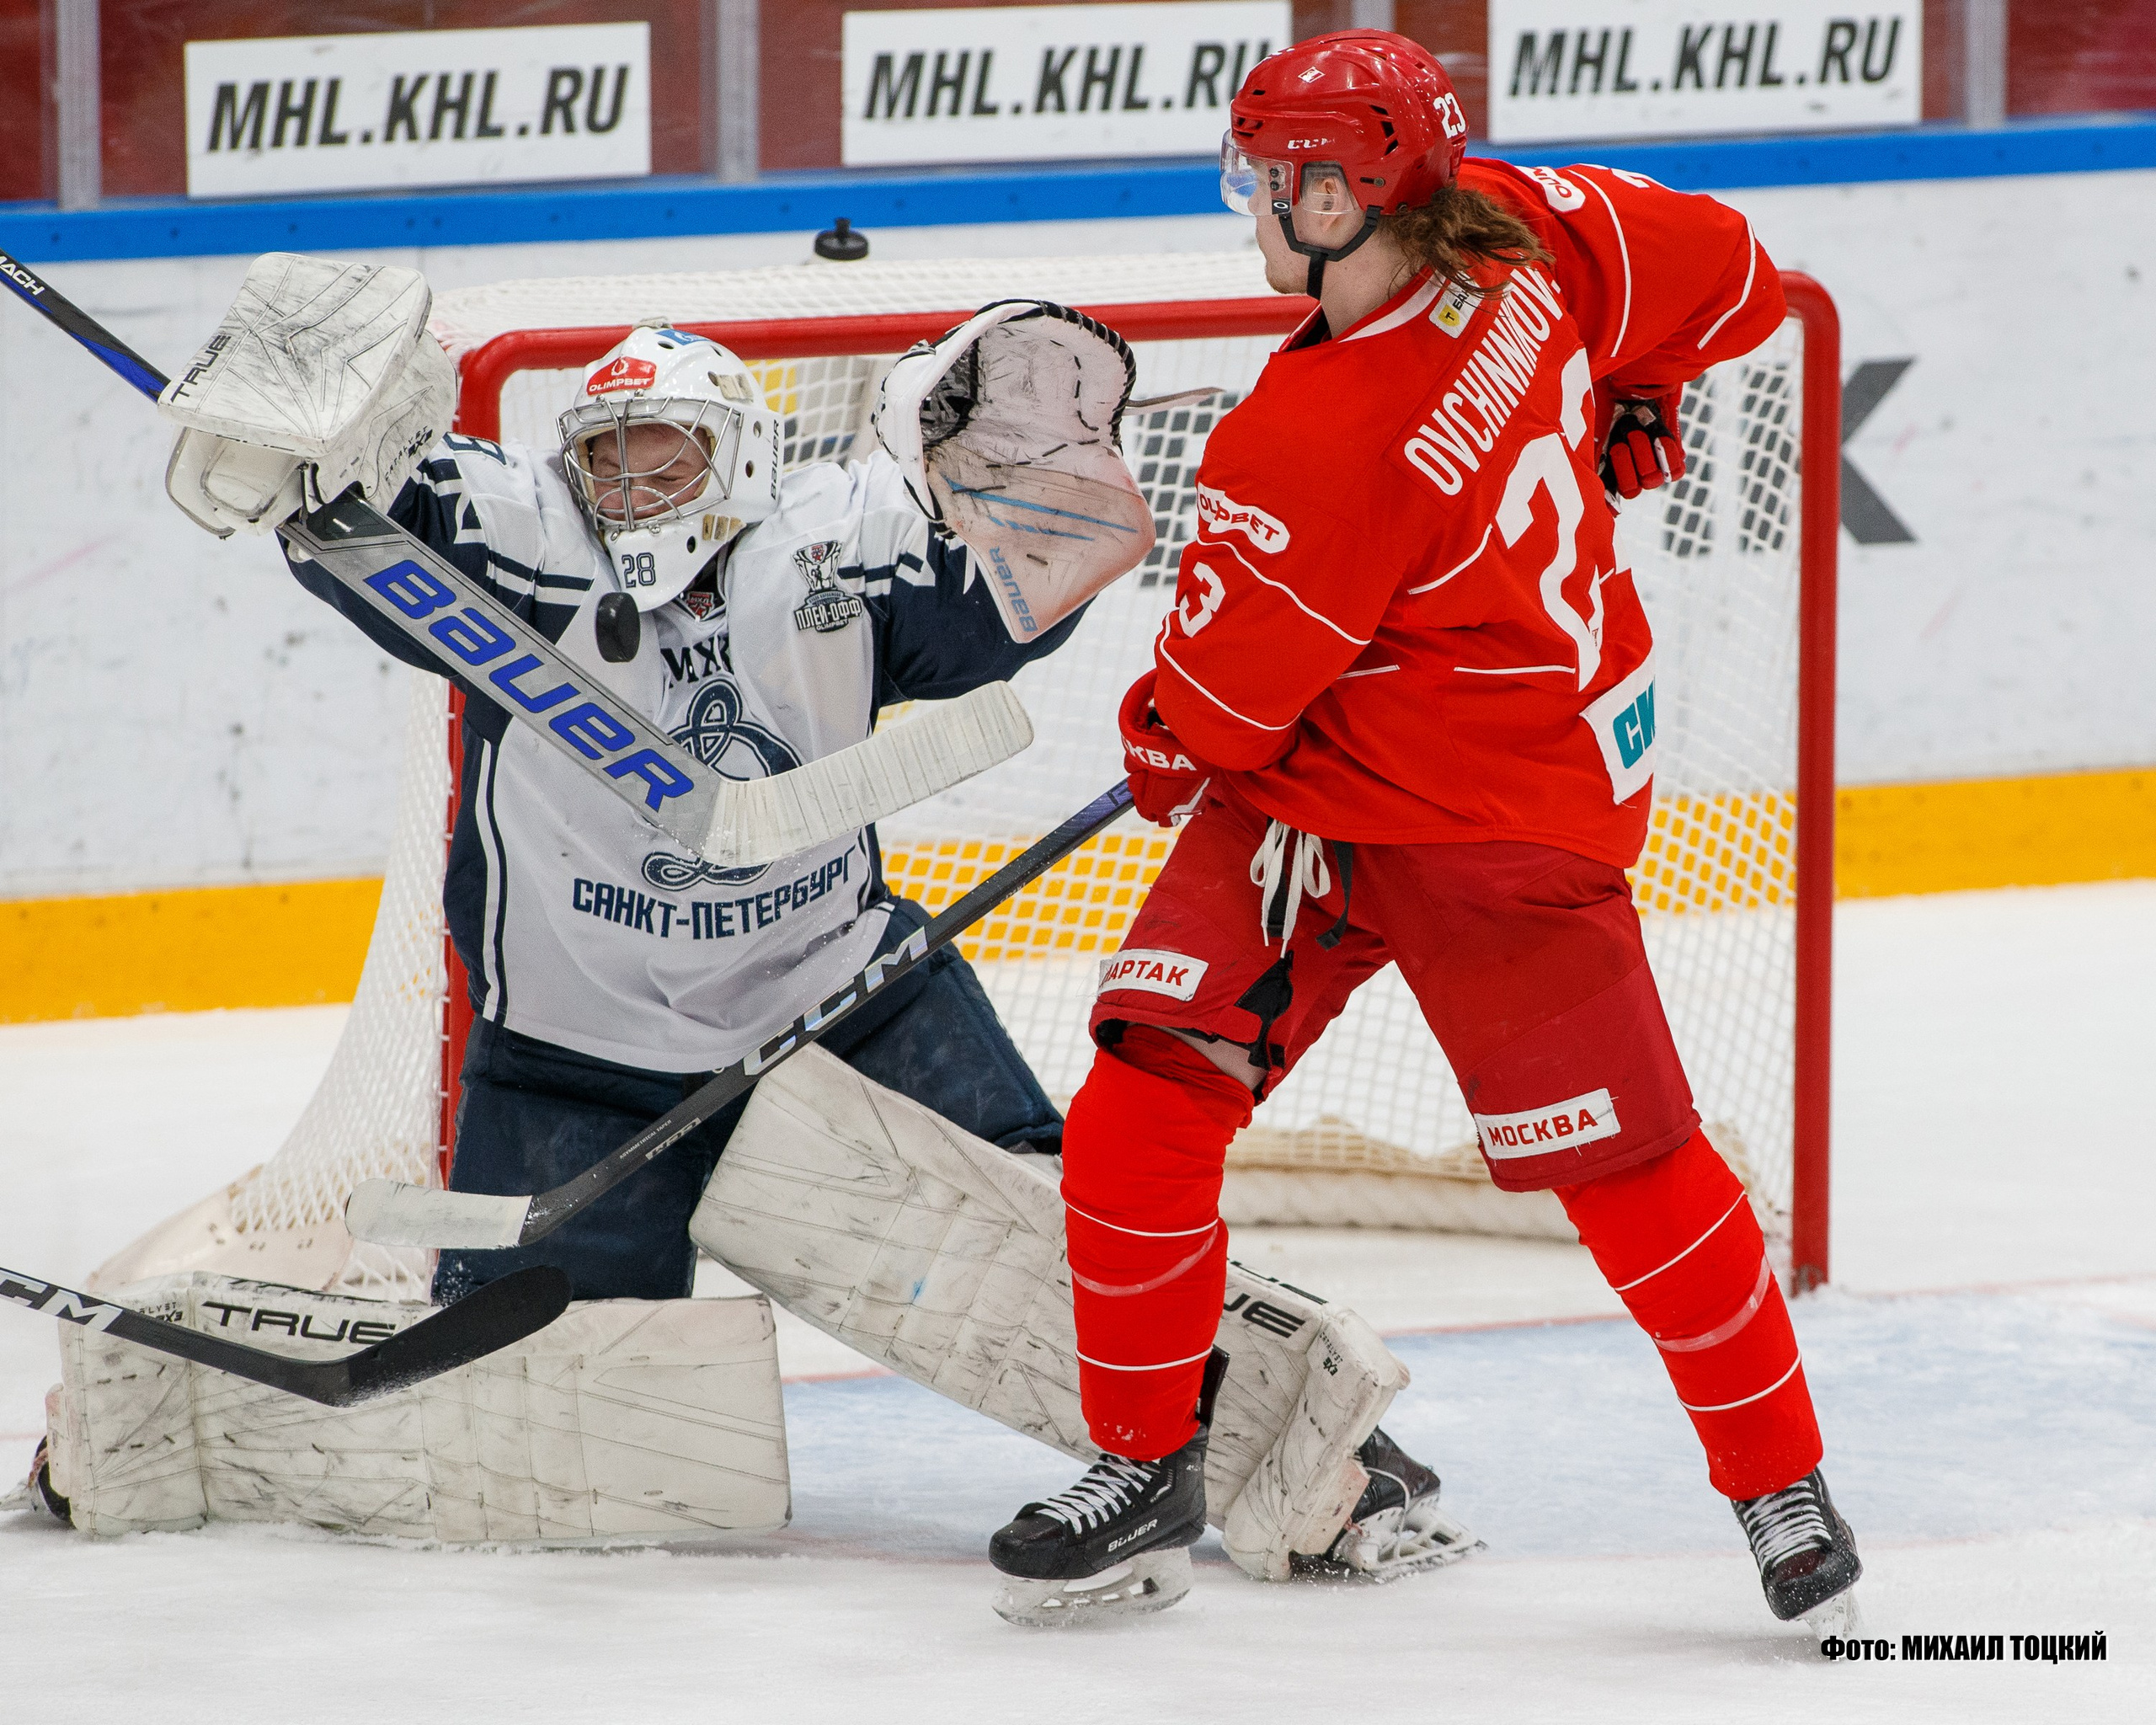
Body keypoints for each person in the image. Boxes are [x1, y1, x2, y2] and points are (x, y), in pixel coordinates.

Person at [152, 295, 1453, 1579]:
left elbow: (1037, 578)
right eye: (606, 458)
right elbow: (360, 514)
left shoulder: (842, 542)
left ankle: (1330, 1462)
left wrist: (1026, 472)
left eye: (666, 456)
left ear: (741, 459)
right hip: (573, 1059)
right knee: (535, 1424)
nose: (630, 489)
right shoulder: (522, 534)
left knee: (1068, 1248)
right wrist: (311, 444)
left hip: (844, 999)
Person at [990, 29, 1862, 1635]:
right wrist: (1639, 381)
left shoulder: (1313, 437)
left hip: (1487, 821)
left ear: (1334, 198)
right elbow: (1737, 274)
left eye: (1268, 179)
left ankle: (1777, 1480)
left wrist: (1159, 743)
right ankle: (1144, 1465)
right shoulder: (1533, 221)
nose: (1252, 205)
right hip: (1359, 805)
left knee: (1629, 1166)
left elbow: (1217, 719)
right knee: (1146, 1105)